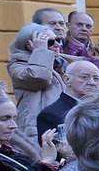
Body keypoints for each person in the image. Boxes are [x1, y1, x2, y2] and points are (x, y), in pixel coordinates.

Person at [7, 22, 64, 158]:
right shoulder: (17, 65)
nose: (57, 45)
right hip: (34, 127)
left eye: (58, 40)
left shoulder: (55, 63)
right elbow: (39, 78)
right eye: (50, 42)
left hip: (54, 124)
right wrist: (40, 51)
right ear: (30, 45)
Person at [38, 59, 99, 136]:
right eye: (84, 77)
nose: (92, 83)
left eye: (96, 78)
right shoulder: (51, 114)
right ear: (66, 79)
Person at [63, 11, 99, 86]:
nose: (84, 29)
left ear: (93, 29)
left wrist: (89, 59)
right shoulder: (60, 46)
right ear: (68, 25)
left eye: (88, 26)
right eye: (79, 25)